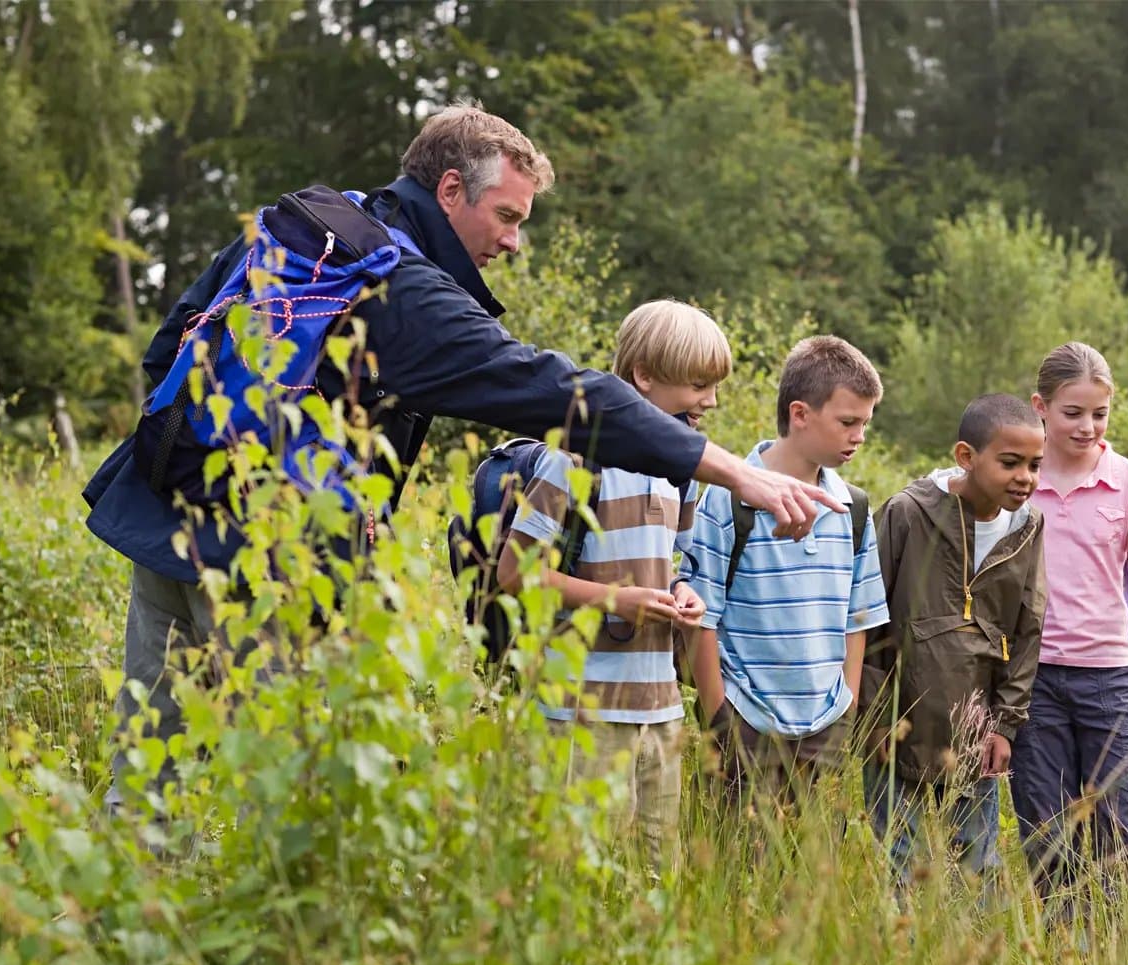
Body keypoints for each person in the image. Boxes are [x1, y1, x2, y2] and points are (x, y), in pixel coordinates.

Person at [87, 104, 837, 814]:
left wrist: (190, 467)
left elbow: (170, 347)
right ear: (450, 190)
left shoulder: (308, 226)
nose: (513, 241)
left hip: (166, 518)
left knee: (150, 770)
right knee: (282, 790)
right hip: (269, 566)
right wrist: (736, 470)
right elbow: (564, 396)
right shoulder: (402, 288)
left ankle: (129, 932)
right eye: (506, 215)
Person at [495, 299, 728, 874]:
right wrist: (616, 600)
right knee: (580, 873)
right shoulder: (574, 459)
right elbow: (514, 572)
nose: (711, 401)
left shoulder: (683, 471)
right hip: (583, 709)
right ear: (645, 377)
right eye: (698, 385)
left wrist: (682, 591)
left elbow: (670, 563)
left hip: (661, 709)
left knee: (658, 875)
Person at [686, 336, 889, 809]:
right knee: (733, 871)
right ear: (800, 414)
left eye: (865, 423)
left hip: (826, 728)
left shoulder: (852, 507)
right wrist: (720, 716)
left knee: (811, 876)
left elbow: (857, 618)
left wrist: (848, 705)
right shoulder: (728, 497)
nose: (858, 436)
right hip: (746, 723)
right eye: (847, 422)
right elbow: (701, 617)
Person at [1009, 342, 1128, 922]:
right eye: (1072, 412)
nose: (1087, 426)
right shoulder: (1018, 481)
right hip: (1033, 681)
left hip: (1108, 677)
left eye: (1098, 414)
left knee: (1127, 823)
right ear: (1041, 408)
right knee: (1047, 829)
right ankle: (1064, 950)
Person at [861, 393, 1046, 887]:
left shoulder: (1028, 528)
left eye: (1034, 465)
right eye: (1010, 463)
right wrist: (874, 720)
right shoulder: (906, 513)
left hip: (975, 729)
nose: (1025, 477)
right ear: (967, 456)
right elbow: (867, 617)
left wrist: (1005, 726)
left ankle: (978, 960)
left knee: (978, 868)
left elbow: (1028, 629)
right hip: (898, 727)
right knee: (897, 862)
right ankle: (898, 958)